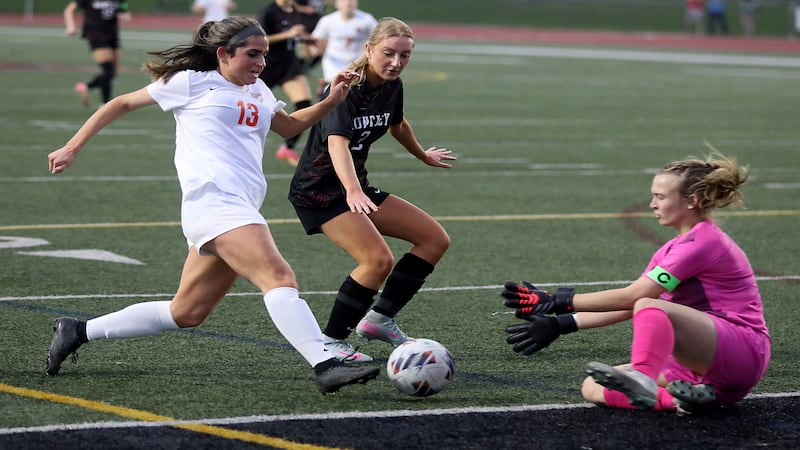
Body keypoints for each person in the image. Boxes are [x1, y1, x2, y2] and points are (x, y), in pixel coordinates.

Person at [45, 16, 379, 394]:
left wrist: (331, 100)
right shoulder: (191, 82)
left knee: (185, 312)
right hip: (214, 203)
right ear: (223, 53)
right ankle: (325, 361)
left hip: (241, 206)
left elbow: (288, 127)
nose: (261, 63)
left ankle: (78, 330)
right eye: (252, 54)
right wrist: (72, 146)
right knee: (279, 277)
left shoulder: (259, 90)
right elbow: (120, 103)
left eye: (265, 55)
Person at [502, 151, 770, 414]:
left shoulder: (700, 243)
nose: (652, 204)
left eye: (660, 197)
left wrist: (557, 301)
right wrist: (561, 323)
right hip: (705, 369)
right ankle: (680, 400)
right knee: (592, 386)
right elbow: (636, 306)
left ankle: (643, 376)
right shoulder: (674, 248)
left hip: (741, 351)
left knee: (646, 304)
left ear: (693, 201)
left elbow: (637, 299)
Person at [288, 17, 457, 362]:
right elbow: (337, 144)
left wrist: (422, 154)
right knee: (377, 260)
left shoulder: (393, 86)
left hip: (355, 188)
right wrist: (351, 190)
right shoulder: (346, 88)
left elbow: (398, 124)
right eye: (389, 53)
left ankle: (379, 320)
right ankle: (332, 342)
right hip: (319, 192)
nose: (396, 62)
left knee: (434, 239)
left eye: (405, 55)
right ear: (368, 49)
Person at [257, 0, 317, 167]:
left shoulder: (295, 11)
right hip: (267, 66)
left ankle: (287, 147)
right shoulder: (269, 11)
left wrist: (307, 40)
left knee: (304, 104)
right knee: (250, 103)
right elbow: (261, 38)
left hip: (289, 65)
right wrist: (288, 34)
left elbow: (294, 35)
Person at [63, 0, 131, 108]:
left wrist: (124, 14)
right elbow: (70, 9)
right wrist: (71, 26)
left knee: (113, 72)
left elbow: (123, 7)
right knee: (108, 70)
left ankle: (89, 90)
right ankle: (103, 102)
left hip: (112, 34)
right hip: (95, 33)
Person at [310, 0, 377, 98]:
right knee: (334, 91)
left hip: (358, 62)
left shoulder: (366, 19)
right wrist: (314, 49)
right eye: (344, 0)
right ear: (337, 4)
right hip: (334, 62)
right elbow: (315, 38)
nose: (348, 3)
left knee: (358, 92)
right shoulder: (328, 20)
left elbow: (379, 37)